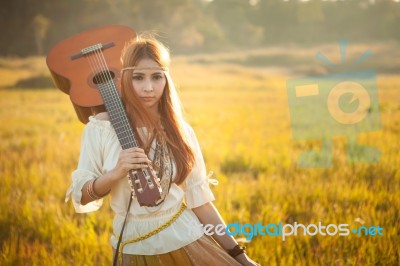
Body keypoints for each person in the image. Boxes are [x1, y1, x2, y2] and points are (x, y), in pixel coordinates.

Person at [65, 34, 259, 266]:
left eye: (157, 77)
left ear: (166, 79)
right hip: (133, 246)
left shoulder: (181, 131)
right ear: (125, 79)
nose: (148, 88)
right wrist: (116, 172)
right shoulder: (101, 128)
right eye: (138, 77)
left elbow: (201, 203)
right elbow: (83, 195)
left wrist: (241, 256)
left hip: (188, 238)